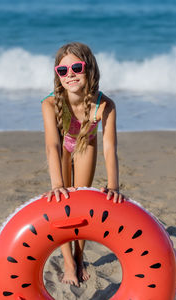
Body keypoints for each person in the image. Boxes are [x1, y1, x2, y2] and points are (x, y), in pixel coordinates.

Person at [41, 42, 125, 287]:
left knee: (80, 201)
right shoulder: (50, 104)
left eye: (76, 67)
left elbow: (110, 147)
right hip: (64, 148)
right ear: (58, 75)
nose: (70, 75)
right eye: (63, 70)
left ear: (90, 69)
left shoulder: (104, 105)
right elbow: (52, 146)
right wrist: (57, 184)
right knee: (63, 200)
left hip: (86, 145)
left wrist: (113, 185)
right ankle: (68, 261)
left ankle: (79, 256)